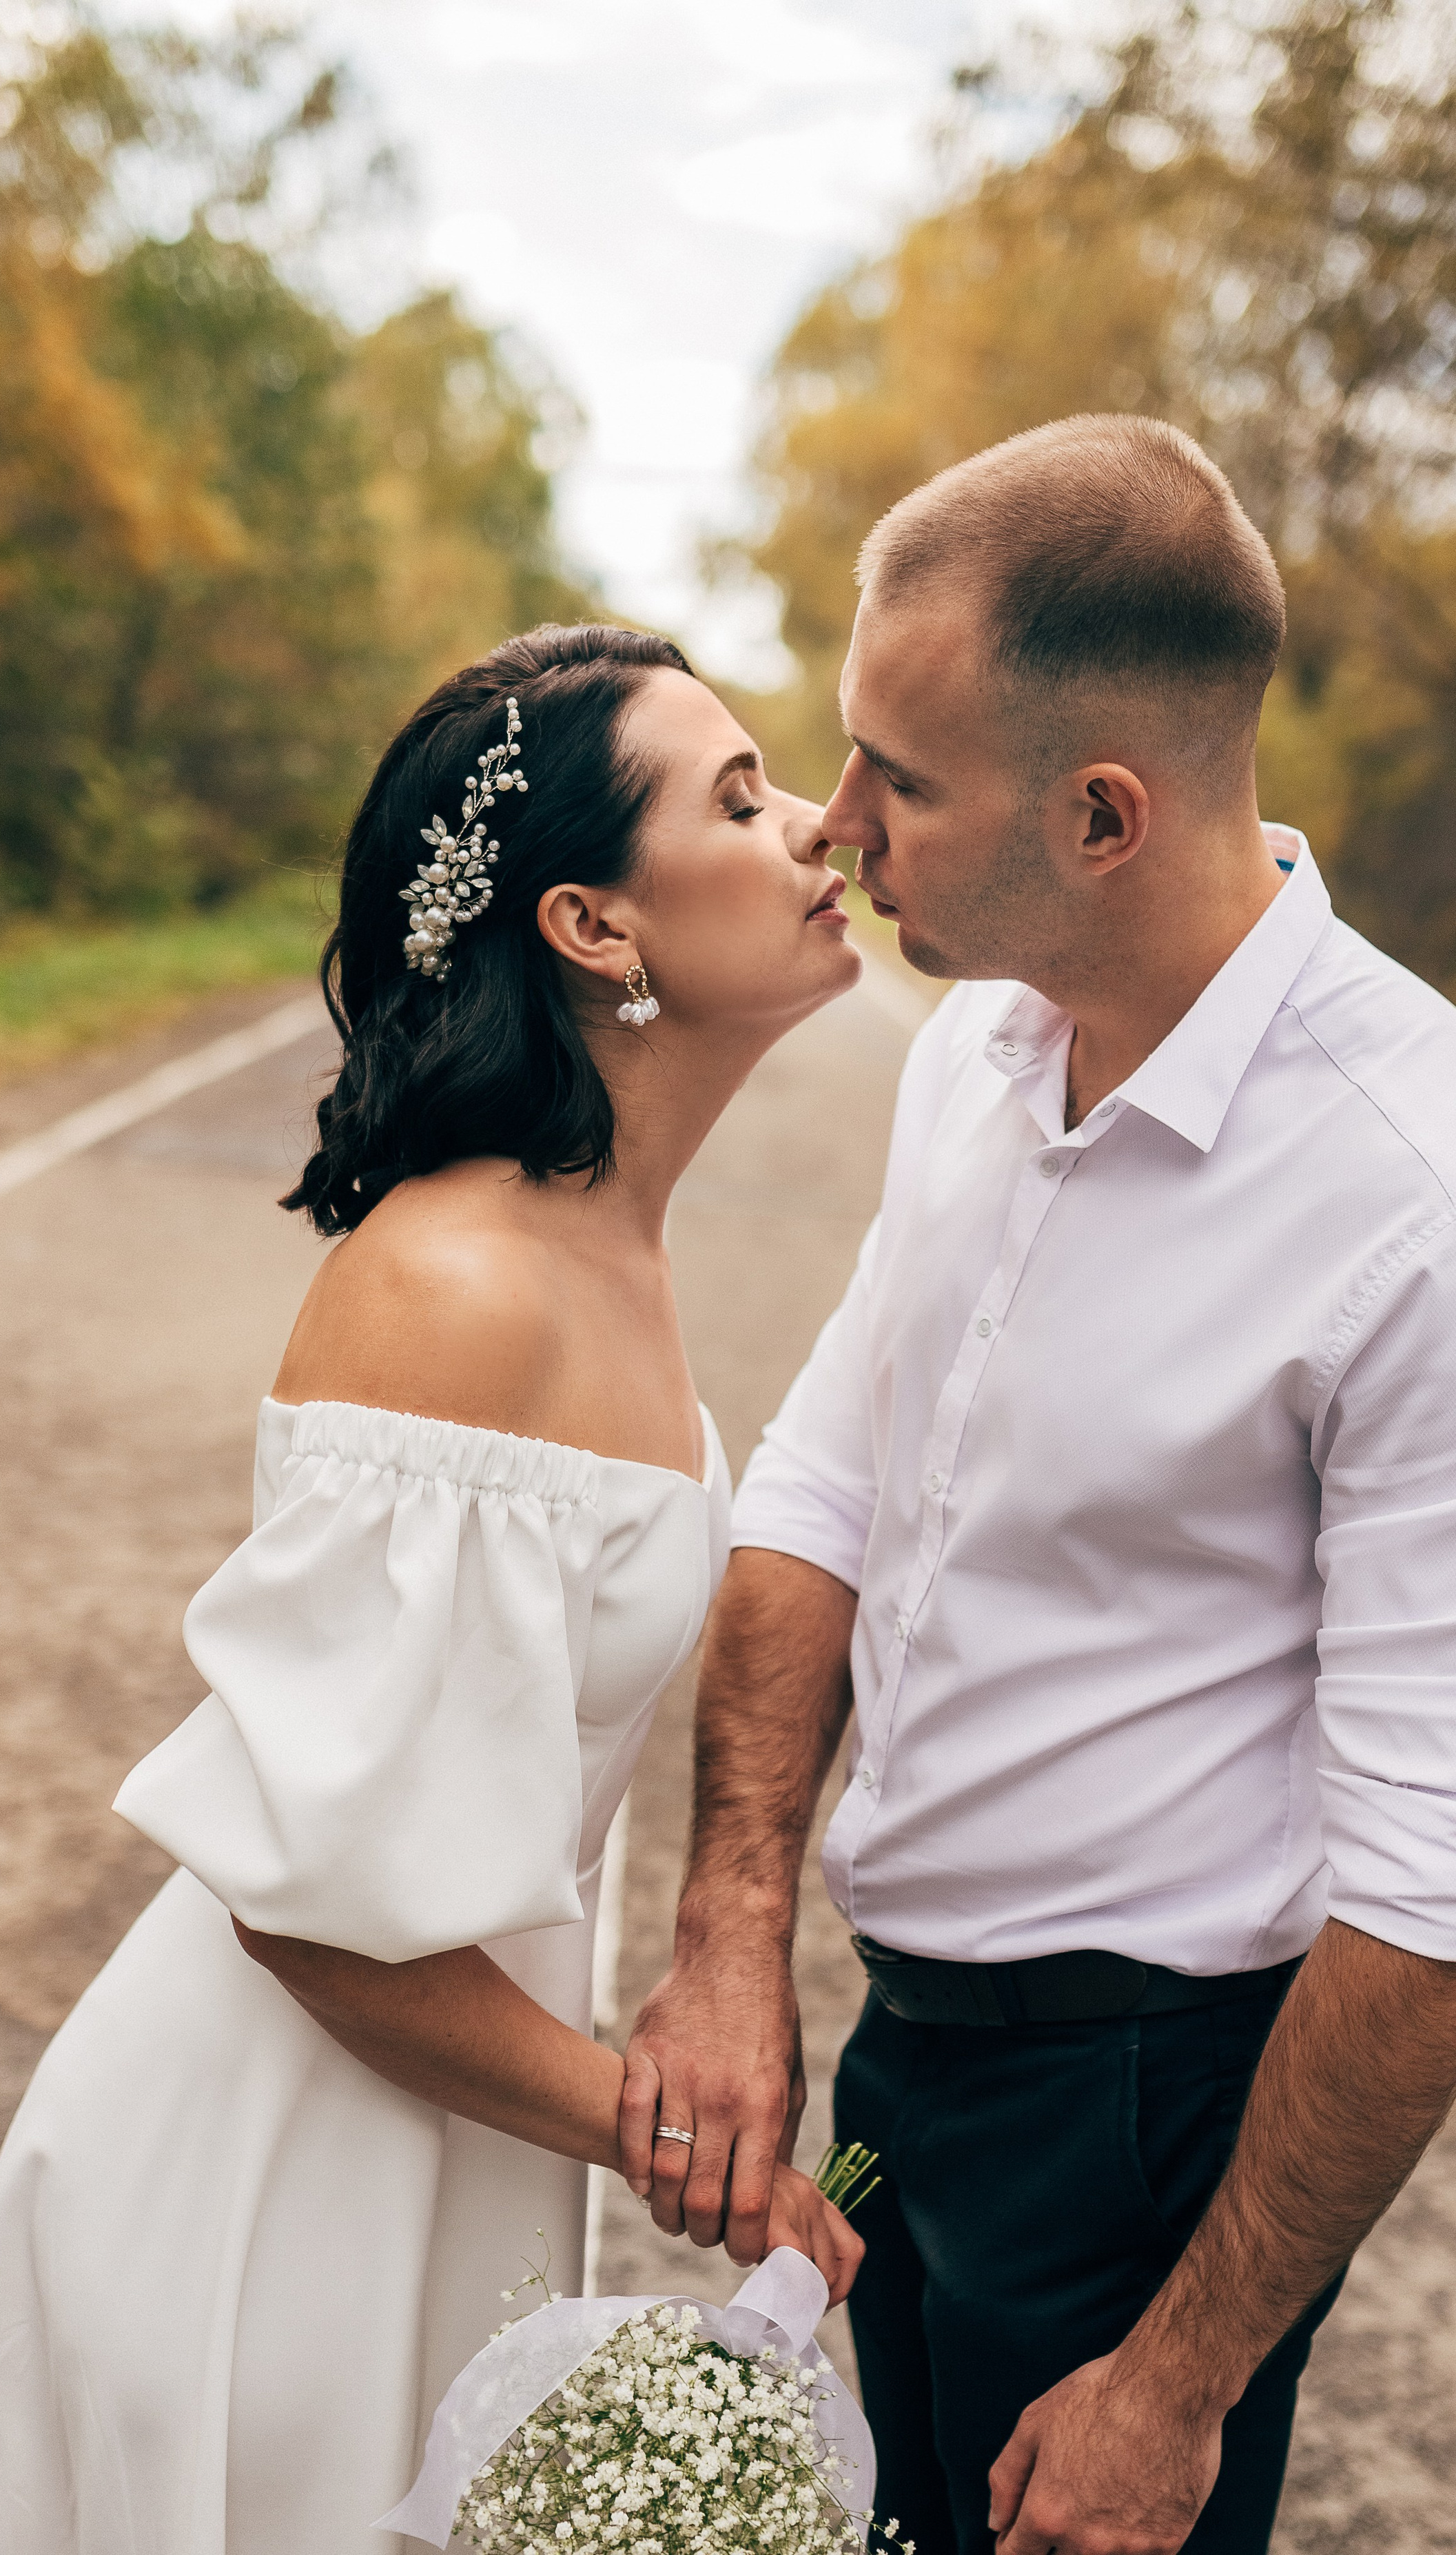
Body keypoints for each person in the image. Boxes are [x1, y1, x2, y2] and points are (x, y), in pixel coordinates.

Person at [0, 623, 864, 2555]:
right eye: (742, 798)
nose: (819, 822)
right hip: (270, 2168)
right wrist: (681, 2143)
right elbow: (309, 1922)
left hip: (440, 2133)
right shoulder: (459, 1286)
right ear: (594, 925)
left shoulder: (604, 1247)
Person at [620, 417, 1456, 2555]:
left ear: (1103, 814)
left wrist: (1182, 2381)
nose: (834, 822)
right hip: (911, 2053)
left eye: (898, 772)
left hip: (1143, 2113)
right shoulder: (982, 1043)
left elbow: (1432, 1891)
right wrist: (731, 1936)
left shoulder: (1410, 1191)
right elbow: (828, 1467)